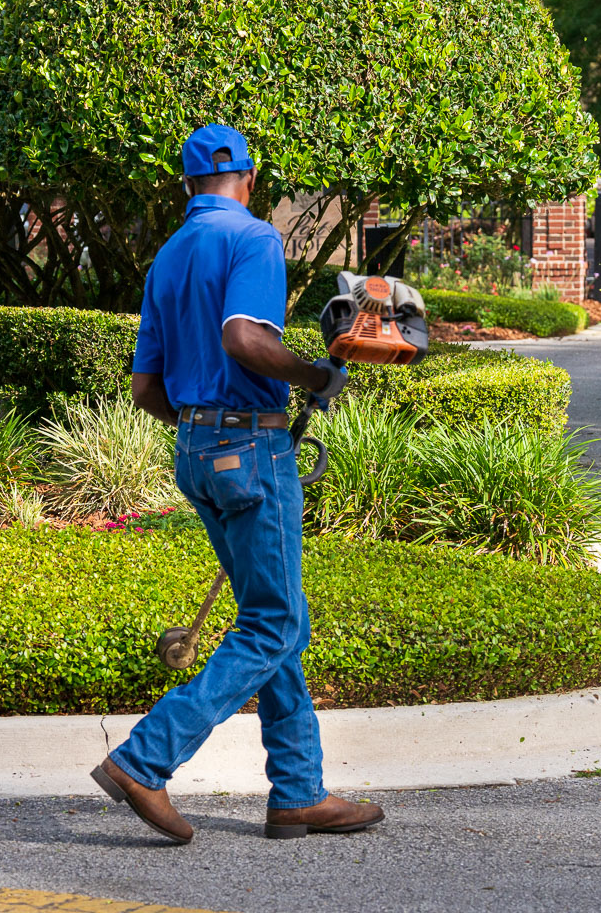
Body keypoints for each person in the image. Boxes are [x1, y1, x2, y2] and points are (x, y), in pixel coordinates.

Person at [91, 124, 385, 844]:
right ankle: (144, 758)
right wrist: (320, 375)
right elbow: (245, 340)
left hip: (195, 450)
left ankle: (298, 793)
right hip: (250, 450)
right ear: (250, 180)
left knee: (275, 614)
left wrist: (204, 423)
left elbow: (144, 389)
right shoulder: (253, 239)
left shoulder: (168, 256)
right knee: (274, 622)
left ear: (187, 184)